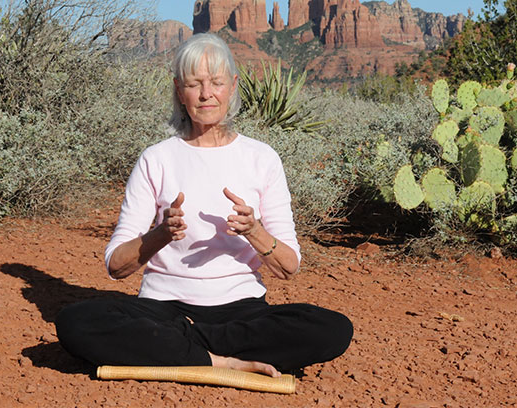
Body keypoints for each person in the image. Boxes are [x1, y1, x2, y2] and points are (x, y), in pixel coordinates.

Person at [55, 33, 353, 378]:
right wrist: (161, 234)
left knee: (332, 328)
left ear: (233, 86)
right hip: (162, 307)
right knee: (74, 321)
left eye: (216, 82)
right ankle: (222, 360)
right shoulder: (157, 159)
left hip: (241, 310)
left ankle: (181, 348)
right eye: (195, 84)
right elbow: (116, 266)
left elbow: (288, 267)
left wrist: (254, 231)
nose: (206, 94)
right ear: (179, 91)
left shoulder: (262, 159)